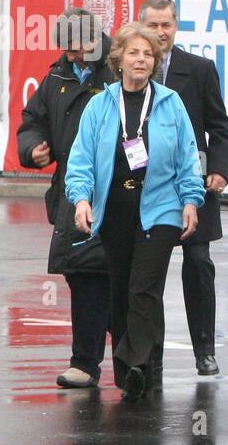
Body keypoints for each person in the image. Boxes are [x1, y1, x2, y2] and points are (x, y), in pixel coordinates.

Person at [65, 23, 204, 401]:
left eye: (148, 54)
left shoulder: (170, 102)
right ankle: (134, 374)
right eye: (134, 53)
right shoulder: (100, 104)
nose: (141, 59)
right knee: (123, 293)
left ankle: (136, 360)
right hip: (115, 211)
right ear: (119, 61)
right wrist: (81, 199)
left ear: (155, 62)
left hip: (161, 210)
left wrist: (191, 200)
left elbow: (188, 157)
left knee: (145, 289)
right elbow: (80, 160)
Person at [16, 8, 114, 389]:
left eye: (79, 49)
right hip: (71, 194)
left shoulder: (117, 69)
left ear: (96, 38)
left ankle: (126, 358)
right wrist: (33, 148)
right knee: (81, 273)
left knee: (109, 276)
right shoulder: (58, 74)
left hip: (113, 192)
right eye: (67, 50)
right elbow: (33, 119)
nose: (72, 56)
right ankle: (89, 361)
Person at [139, 0, 228, 376]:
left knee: (197, 263)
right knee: (150, 272)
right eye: (154, 25)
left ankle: (204, 350)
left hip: (195, 184)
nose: (161, 32)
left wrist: (220, 170)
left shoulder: (199, 69)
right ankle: (153, 354)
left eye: (167, 25)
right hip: (147, 188)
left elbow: (219, 127)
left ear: (176, 26)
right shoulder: (131, 69)